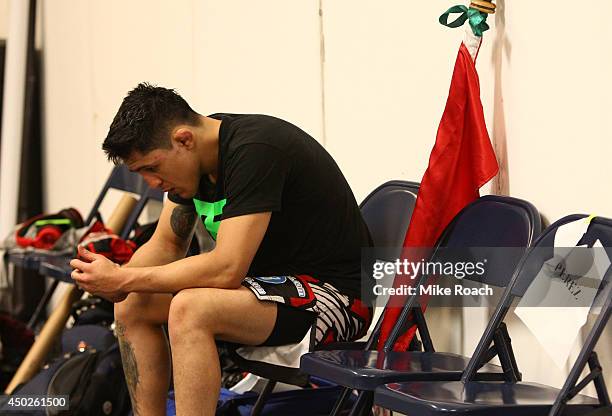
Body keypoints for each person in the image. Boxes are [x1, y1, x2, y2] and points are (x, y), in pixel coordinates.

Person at [70, 83, 373, 416]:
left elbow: (227, 269)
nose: (152, 184)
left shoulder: (255, 149)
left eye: (152, 168)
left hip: (338, 299)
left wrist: (125, 279)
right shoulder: (196, 160)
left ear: (184, 139)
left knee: (191, 308)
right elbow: (166, 244)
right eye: (141, 173)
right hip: (271, 290)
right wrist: (120, 282)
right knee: (132, 307)